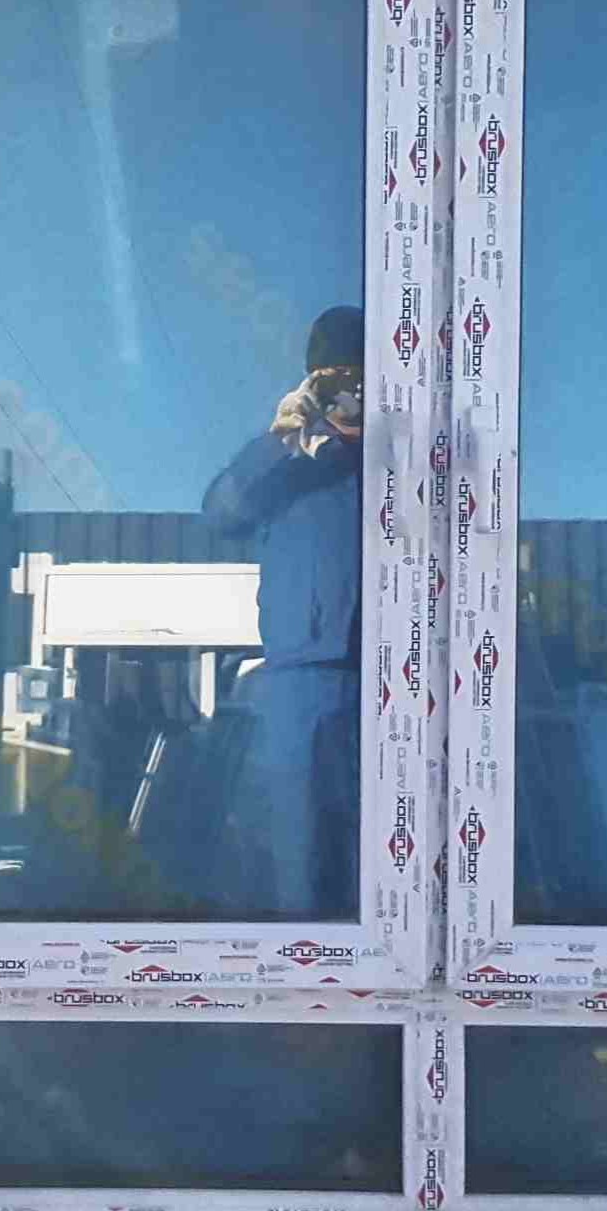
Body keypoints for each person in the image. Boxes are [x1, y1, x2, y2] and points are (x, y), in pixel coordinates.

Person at [202, 307, 365, 917]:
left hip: (407, 678)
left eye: (358, 377)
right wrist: (282, 440)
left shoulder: (405, 460)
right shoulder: (292, 465)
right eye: (333, 380)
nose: (348, 393)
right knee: (303, 867)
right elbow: (221, 513)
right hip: (304, 680)